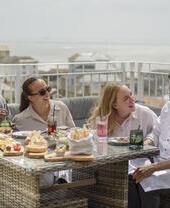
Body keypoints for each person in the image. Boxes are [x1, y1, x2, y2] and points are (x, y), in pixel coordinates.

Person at [89, 82, 158, 208]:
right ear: (115, 105)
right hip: (114, 165)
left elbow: (157, 131)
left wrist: (149, 140)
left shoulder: (144, 113)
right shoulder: (102, 120)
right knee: (129, 188)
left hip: (141, 161)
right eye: (126, 98)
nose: (132, 100)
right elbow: (96, 144)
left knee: (149, 186)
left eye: (131, 95)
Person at [13, 77, 75, 186]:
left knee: (62, 166)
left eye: (48, 89)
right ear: (30, 97)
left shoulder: (61, 107)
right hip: (39, 162)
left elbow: (73, 134)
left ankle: (60, 185)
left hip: (61, 156)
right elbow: (19, 149)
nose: (47, 94)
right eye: (42, 92)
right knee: (47, 175)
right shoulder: (20, 120)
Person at [132, 73, 170, 208]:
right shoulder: (168, 107)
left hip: (164, 167)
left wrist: (152, 168)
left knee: (147, 180)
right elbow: (155, 133)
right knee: (131, 172)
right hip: (159, 162)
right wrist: (148, 142)